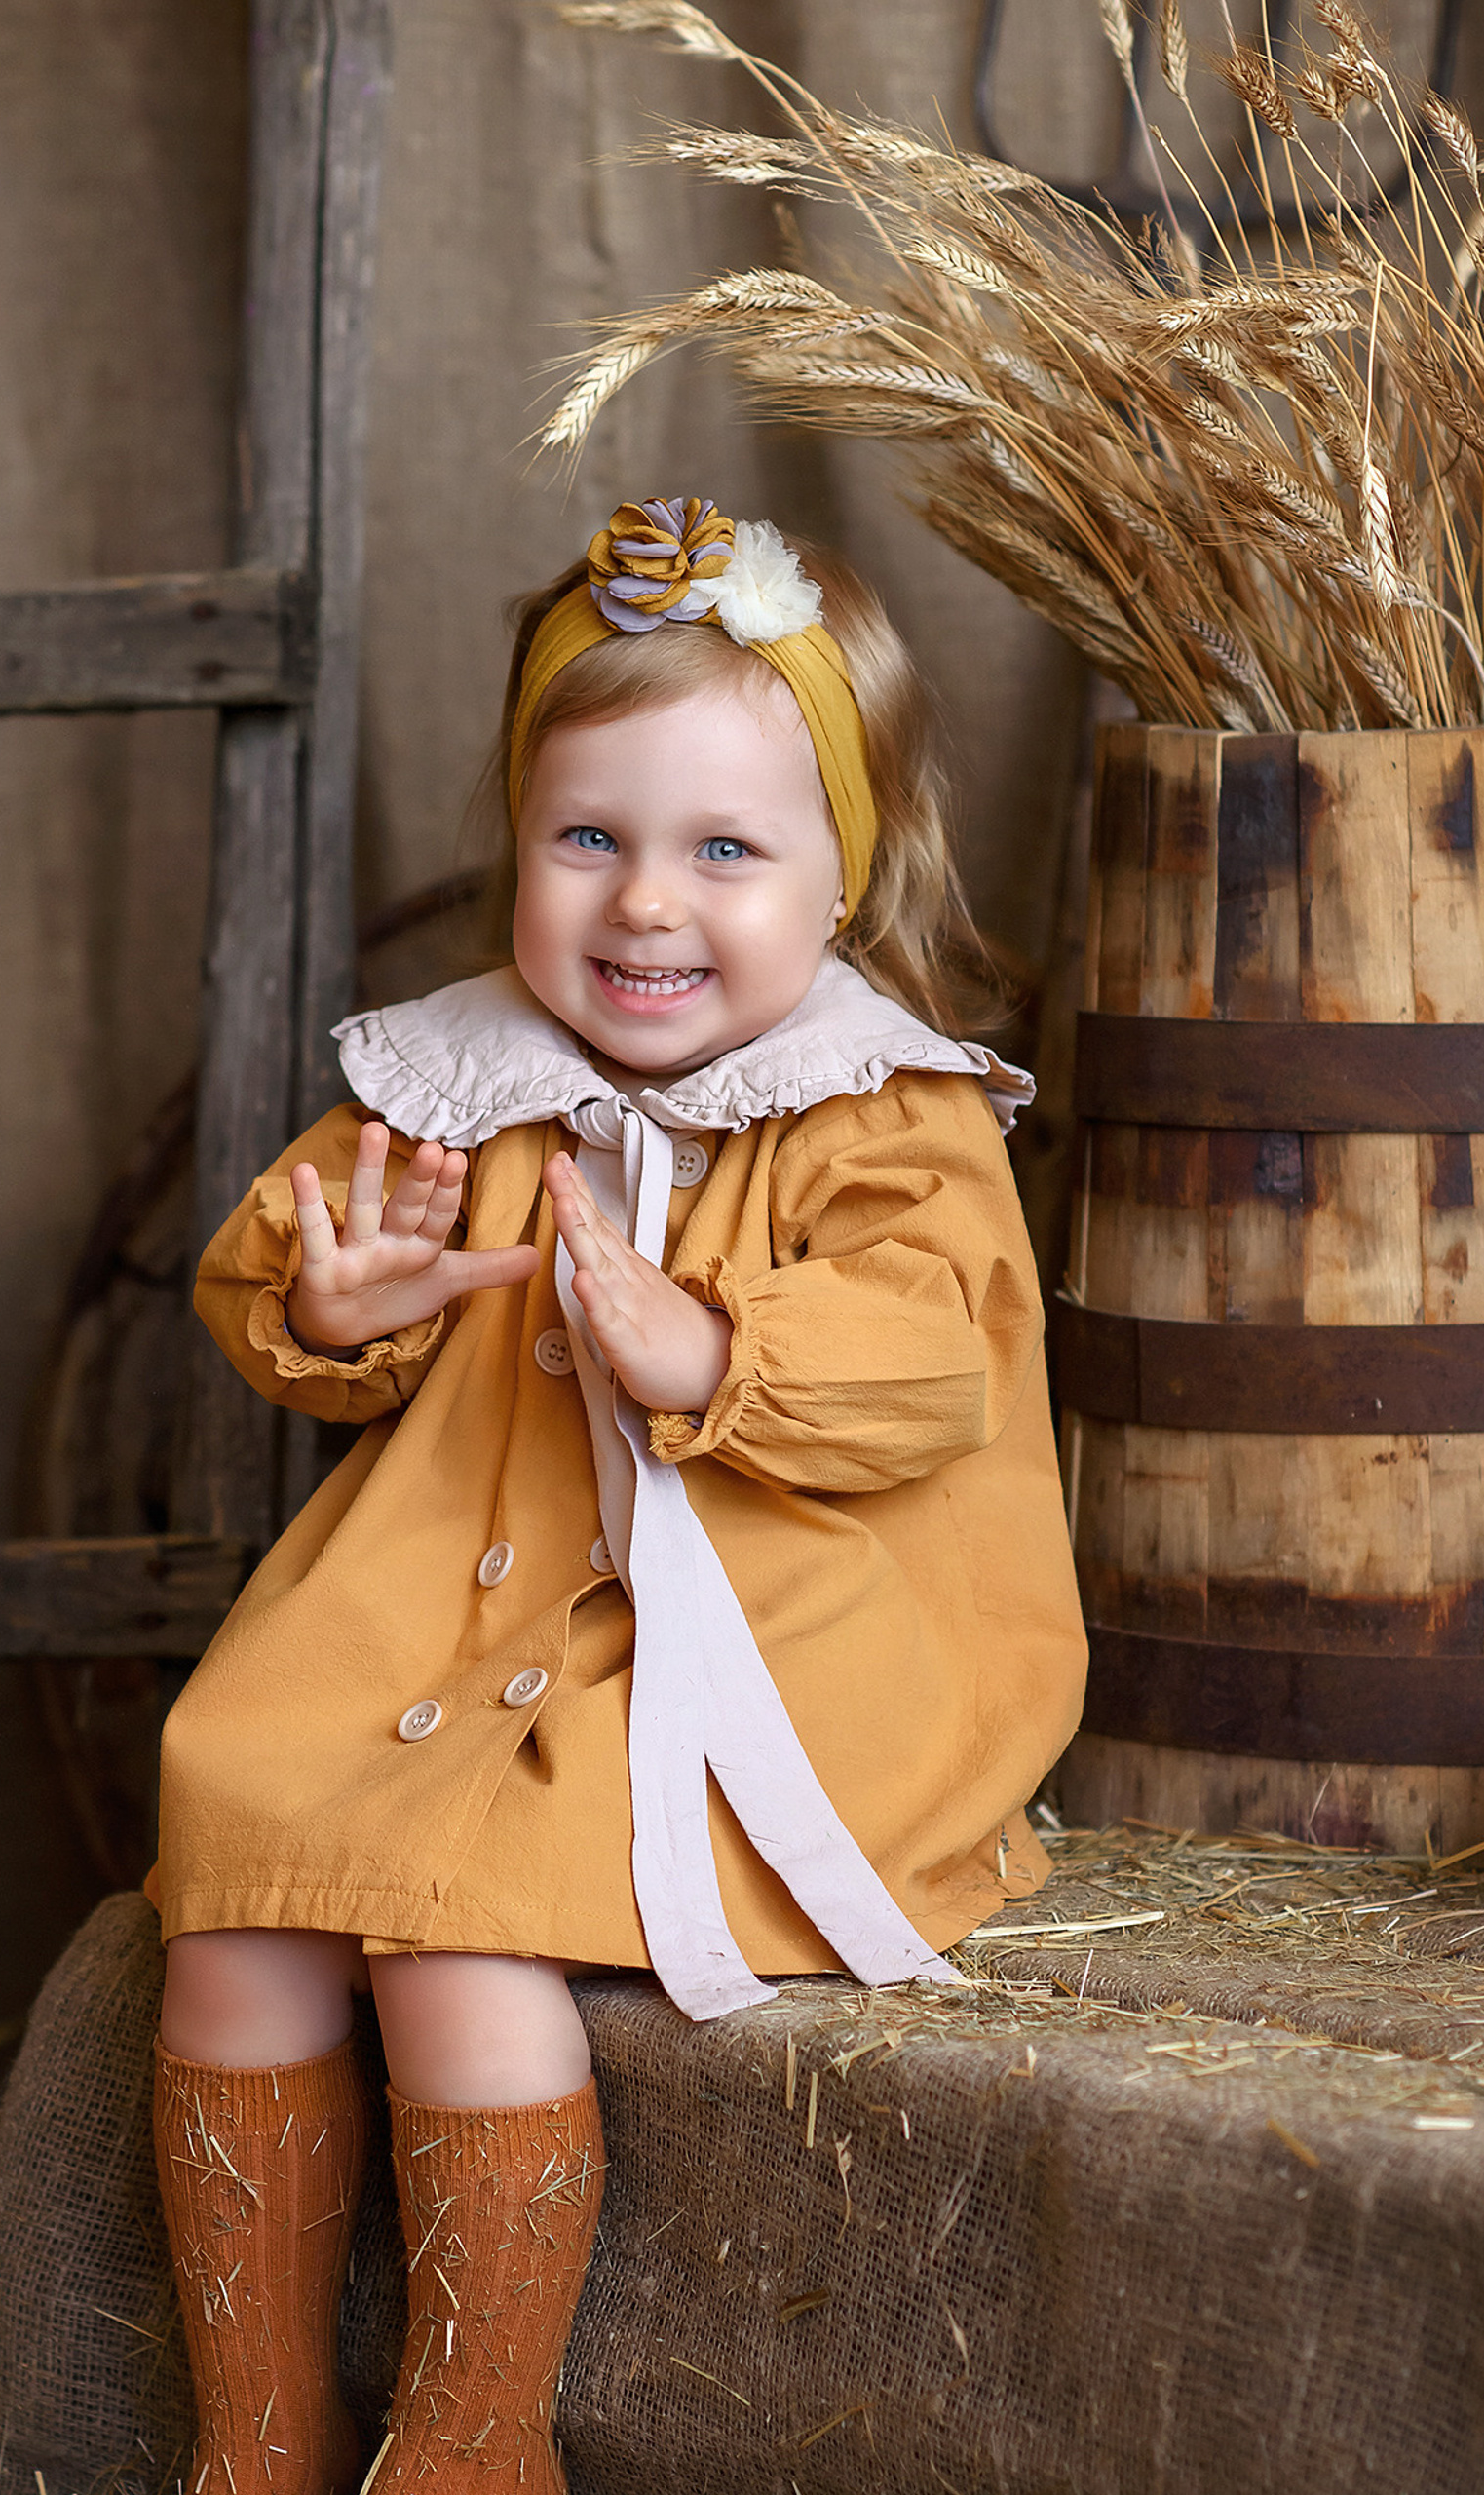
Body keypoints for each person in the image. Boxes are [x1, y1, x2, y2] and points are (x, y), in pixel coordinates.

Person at [145, 495, 1086, 2493]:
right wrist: (332, 1300)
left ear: (845, 874)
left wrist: (719, 1349)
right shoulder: (458, 1079)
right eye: (588, 837)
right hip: (444, 1607)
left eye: (723, 849)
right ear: (520, 838)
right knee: (234, 1886)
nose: (644, 904)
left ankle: (470, 2446)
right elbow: (284, 1270)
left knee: (449, 1942)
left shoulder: (877, 1104)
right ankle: (252, 2441)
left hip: (759, 1635)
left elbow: (939, 1351)